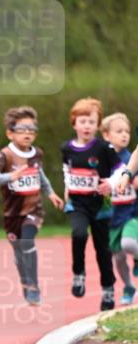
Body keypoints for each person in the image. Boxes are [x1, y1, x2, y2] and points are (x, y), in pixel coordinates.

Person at [0, 106, 63, 305]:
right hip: (12, 214)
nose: (28, 133)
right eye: (22, 129)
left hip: (33, 210)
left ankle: (34, 287)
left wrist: (51, 193)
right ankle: (26, 282)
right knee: (19, 250)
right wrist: (11, 176)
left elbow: (40, 174)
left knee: (27, 241)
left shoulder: (37, 154)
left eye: (32, 128)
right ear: (10, 133)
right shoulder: (4, 155)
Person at [61, 97, 121, 311]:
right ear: (74, 123)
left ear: (98, 125)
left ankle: (108, 289)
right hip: (77, 203)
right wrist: (67, 189)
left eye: (91, 122)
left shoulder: (105, 148)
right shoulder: (66, 148)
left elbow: (121, 169)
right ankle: (79, 273)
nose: (86, 126)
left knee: (102, 249)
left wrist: (111, 184)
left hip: (100, 206)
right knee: (78, 234)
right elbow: (67, 169)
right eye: (82, 121)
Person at [101, 113, 138, 305]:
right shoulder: (100, 158)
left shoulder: (129, 158)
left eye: (127, 131)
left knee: (129, 244)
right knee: (119, 257)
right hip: (112, 215)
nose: (124, 135)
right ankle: (128, 286)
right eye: (119, 131)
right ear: (106, 135)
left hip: (132, 212)